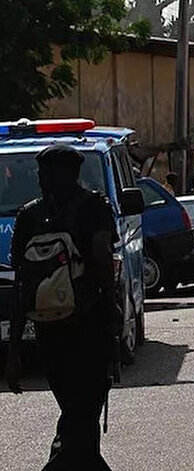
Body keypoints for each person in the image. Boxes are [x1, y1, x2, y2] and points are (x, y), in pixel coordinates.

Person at [6, 145, 120, 469]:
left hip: (50, 330)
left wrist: (15, 349)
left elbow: (21, 286)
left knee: (77, 414)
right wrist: (113, 317)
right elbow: (102, 262)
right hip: (89, 326)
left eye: (43, 173)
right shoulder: (94, 207)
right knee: (80, 415)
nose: (40, 179)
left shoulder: (29, 215)